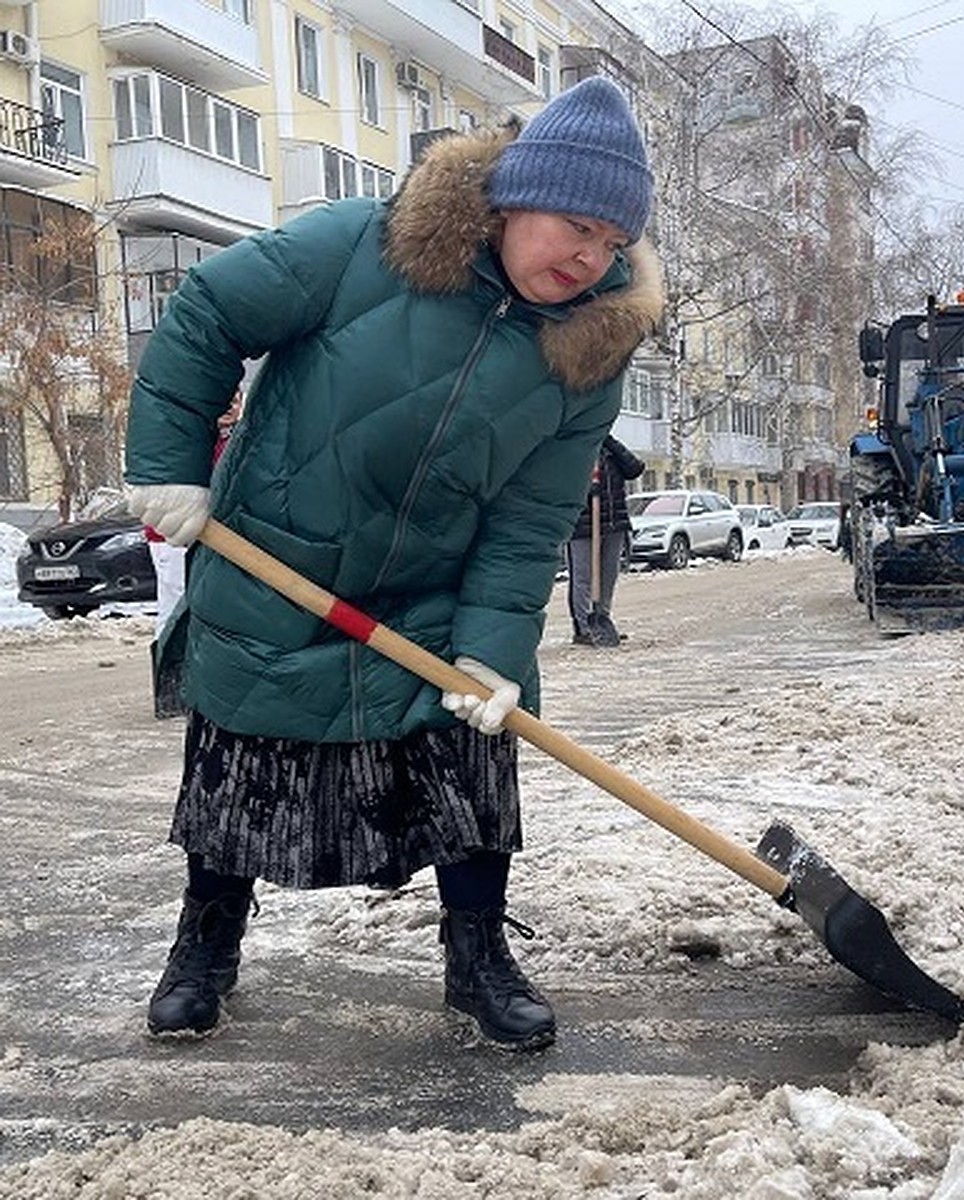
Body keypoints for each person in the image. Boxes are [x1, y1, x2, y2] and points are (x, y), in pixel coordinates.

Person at [124, 76, 662, 1050]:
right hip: (273, 564)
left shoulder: (591, 345)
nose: (590, 258)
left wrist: (495, 648)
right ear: (513, 196)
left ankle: (479, 958)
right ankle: (204, 945)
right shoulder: (364, 245)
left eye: (613, 244)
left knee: (471, 761)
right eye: (576, 226)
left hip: (430, 597)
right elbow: (205, 312)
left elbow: (531, 515)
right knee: (236, 770)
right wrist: (167, 471)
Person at [145, 392, 242, 718]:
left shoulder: (240, 438)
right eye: (224, 399)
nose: (229, 406)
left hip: (217, 537)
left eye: (235, 399)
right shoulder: (193, 434)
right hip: (173, 533)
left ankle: (202, 686)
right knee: (175, 606)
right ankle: (170, 691)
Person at [566, 434, 644, 646]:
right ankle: (583, 627)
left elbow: (635, 469)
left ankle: (602, 619)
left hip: (613, 522)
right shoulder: (572, 447)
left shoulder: (611, 450)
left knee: (608, 574)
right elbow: (558, 482)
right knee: (583, 577)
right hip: (583, 524)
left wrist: (611, 443)